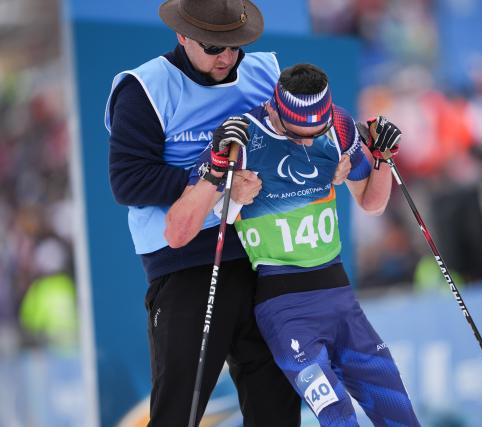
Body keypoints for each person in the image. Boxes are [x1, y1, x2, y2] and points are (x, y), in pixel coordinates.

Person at [166, 64, 421, 426]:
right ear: (274, 109)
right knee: (339, 419)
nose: (306, 143)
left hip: (340, 299)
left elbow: (372, 202)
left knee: (400, 416)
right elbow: (178, 231)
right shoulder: (242, 138)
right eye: (296, 134)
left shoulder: (340, 126)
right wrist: (219, 174)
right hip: (286, 311)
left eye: (315, 133)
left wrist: (381, 158)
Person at [104, 0, 313, 425]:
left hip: (263, 251)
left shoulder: (265, 73)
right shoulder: (145, 88)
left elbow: (301, 144)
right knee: (181, 403)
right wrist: (212, 181)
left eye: (235, 47)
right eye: (213, 47)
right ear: (182, 35)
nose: (226, 58)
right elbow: (128, 181)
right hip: (186, 262)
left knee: (276, 397)